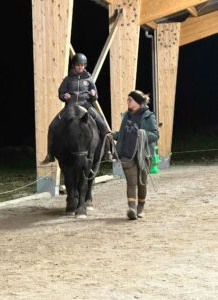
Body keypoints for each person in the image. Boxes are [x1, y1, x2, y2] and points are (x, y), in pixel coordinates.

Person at [41, 53, 111, 165]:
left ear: (85, 66)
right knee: (52, 126)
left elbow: (95, 95)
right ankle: (50, 154)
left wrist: (93, 94)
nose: (80, 67)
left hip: (86, 105)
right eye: (78, 65)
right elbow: (61, 93)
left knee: (102, 124)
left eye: (82, 65)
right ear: (74, 65)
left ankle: (108, 151)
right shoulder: (68, 79)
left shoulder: (89, 79)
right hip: (71, 107)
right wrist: (64, 96)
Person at [112, 90, 159, 220]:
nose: (128, 102)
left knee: (141, 182)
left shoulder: (149, 117)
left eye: (130, 100)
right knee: (131, 182)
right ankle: (131, 208)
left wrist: (144, 134)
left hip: (143, 155)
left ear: (138, 102)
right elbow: (122, 133)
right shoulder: (126, 116)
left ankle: (140, 208)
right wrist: (112, 135)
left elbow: (155, 135)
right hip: (127, 154)